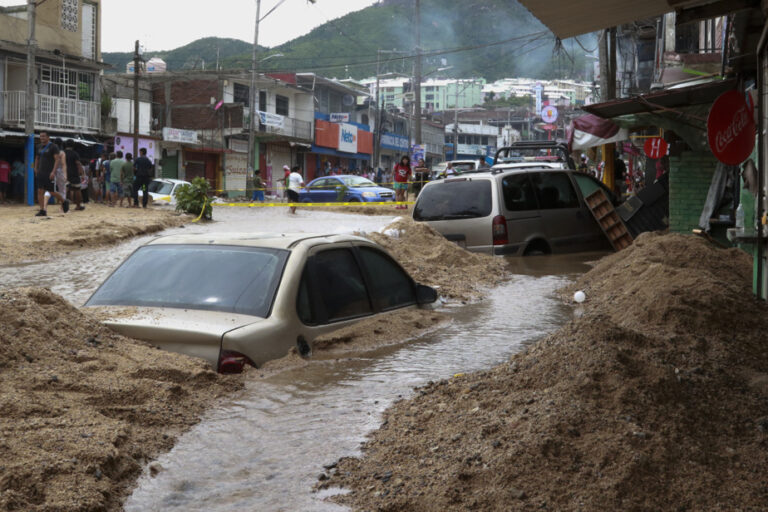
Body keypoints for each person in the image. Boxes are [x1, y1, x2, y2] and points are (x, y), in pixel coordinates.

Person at [34, 131, 69, 216]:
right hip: (40, 172)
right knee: (39, 191)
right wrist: (35, 168)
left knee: (52, 191)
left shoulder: (53, 147)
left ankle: (64, 201)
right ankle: (42, 210)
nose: (42, 138)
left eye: (44, 136)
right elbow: (37, 158)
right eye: (41, 136)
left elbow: (57, 160)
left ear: (48, 137)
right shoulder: (38, 147)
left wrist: (53, 172)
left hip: (49, 173)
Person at [63, 140, 85, 211]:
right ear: (73, 145)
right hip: (74, 173)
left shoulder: (62, 153)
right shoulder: (75, 154)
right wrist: (82, 173)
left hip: (64, 173)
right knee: (77, 189)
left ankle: (62, 206)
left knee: (64, 190)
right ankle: (78, 206)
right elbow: (78, 163)